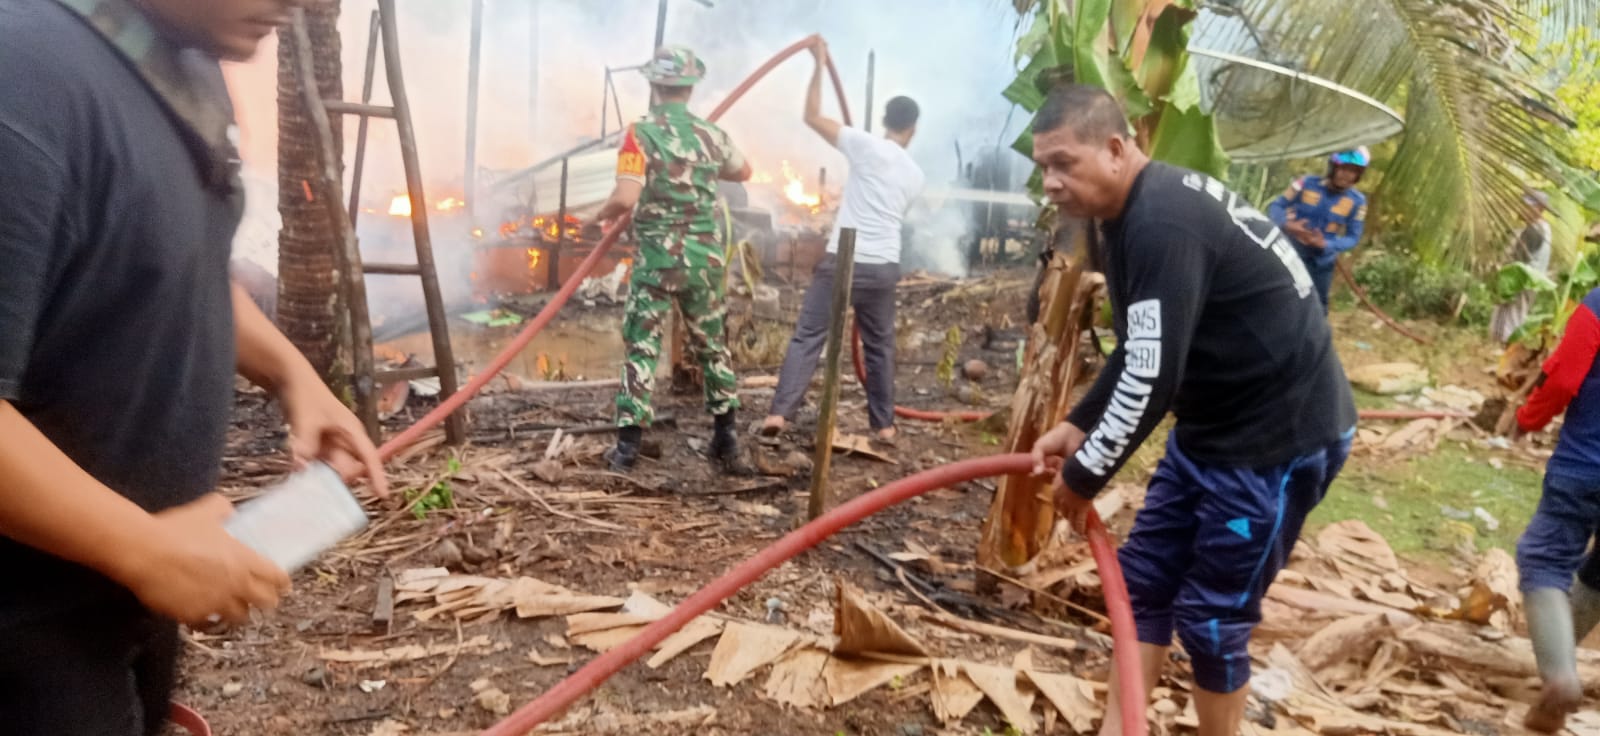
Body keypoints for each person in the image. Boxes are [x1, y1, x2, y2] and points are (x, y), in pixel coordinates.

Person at [0, 0, 389, 734]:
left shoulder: (178, 57)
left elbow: (168, 257)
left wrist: (291, 374)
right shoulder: (22, 78)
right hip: (24, 638)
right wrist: (143, 549)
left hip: (116, 610)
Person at [1025, 85, 1357, 736]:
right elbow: (1144, 343)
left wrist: (1086, 473)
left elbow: (1153, 376)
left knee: (1212, 619)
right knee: (1142, 586)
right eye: (1043, 167)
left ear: (1115, 149)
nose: (1051, 183)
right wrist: (1078, 423)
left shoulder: (1162, 221)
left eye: (1064, 163)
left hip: (1276, 442)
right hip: (1210, 429)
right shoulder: (1124, 215)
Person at [597, 46, 754, 474]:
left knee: (642, 346)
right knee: (712, 345)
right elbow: (744, 172)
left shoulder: (639, 134)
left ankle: (627, 449)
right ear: (690, 88)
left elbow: (626, 196)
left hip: (657, 262)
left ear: (654, 85)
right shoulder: (712, 135)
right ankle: (727, 439)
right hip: (704, 260)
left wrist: (600, 215)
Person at [760, 39, 925, 442]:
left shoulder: (865, 146)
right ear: (913, 129)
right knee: (879, 347)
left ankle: (780, 414)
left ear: (884, 120)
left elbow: (812, 116)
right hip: (883, 267)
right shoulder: (915, 175)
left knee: (809, 335)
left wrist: (819, 65)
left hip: (845, 262)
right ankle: (884, 425)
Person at [1511, 284, 1600, 733]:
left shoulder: (1597, 306)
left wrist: (1528, 418)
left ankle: (1560, 677)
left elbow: (1563, 379)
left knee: (1544, 559)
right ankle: (1558, 659)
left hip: (1585, 467)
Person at [1267, 148, 1371, 312]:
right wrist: (1286, 224)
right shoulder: (1305, 183)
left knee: (1317, 308)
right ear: (1333, 167)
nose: (1346, 175)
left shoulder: (1358, 202)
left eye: (1353, 171)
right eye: (1343, 168)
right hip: (1290, 253)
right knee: (1274, 297)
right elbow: (1276, 206)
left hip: (1321, 263)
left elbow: (1353, 237)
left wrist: (1326, 244)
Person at [1491, 191, 1554, 344]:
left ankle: (1501, 349)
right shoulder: (1544, 229)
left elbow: (1518, 260)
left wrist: (1502, 278)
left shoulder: (1533, 231)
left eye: (1527, 206)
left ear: (1539, 209)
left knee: (1505, 324)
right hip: (1529, 283)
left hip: (1518, 283)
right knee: (1516, 320)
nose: (1521, 209)